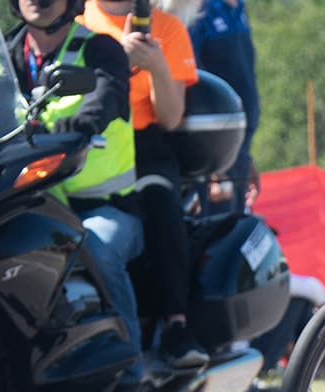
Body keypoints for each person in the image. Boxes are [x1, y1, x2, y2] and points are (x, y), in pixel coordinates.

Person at [6, 0, 148, 392]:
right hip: (29, 203)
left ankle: (132, 381)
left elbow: (107, 93)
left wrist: (83, 121)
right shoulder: (2, 58)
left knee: (98, 248)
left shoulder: (98, 49)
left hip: (103, 207)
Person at [81, 0, 208, 369]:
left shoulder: (167, 29)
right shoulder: (75, 22)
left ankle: (175, 325)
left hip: (144, 146)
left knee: (161, 201)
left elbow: (170, 117)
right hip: (87, 143)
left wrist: (155, 67)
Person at [185, 0, 259, 209]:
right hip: (213, 157)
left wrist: (246, 156)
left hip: (238, 149)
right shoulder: (199, 11)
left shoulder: (238, 9)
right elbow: (192, 84)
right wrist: (213, 165)